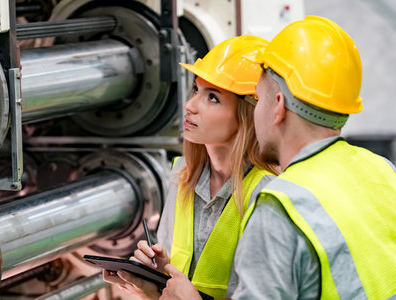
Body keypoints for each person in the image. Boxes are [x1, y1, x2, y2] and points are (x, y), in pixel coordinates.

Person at [227, 16, 396, 299]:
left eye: (258, 99)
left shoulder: (278, 209)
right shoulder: (381, 170)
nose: (255, 113)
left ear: (278, 106)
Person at [103, 35, 278, 299]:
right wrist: (157, 282)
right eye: (196, 90)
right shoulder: (183, 177)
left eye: (213, 98)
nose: (189, 105)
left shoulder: (268, 195)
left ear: (247, 115)